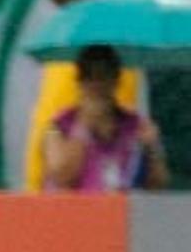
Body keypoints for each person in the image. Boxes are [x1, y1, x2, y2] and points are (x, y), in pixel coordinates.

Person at [22, 0, 143, 191]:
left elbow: (113, 117)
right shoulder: (66, 32)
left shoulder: (104, 34)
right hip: (49, 186)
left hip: (83, 190)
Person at [42, 44, 169, 192]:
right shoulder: (58, 126)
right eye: (89, 76)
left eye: (103, 76)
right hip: (73, 211)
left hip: (120, 209)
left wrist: (152, 149)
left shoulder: (135, 124)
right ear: (80, 81)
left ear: (116, 79)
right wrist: (83, 127)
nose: (96, 84)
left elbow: (158, 184)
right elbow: (62, 177)